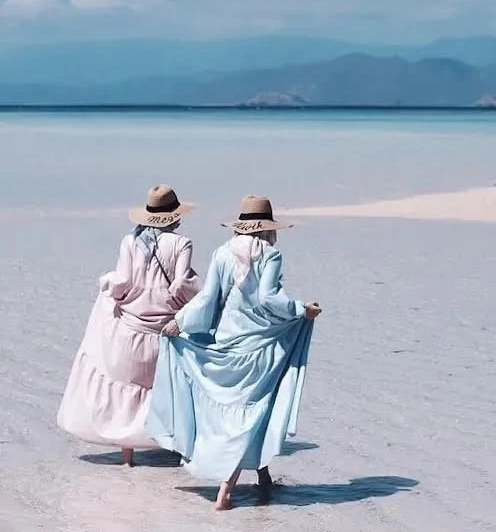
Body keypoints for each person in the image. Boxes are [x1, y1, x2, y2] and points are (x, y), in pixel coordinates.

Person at [149, 195, 322, 511]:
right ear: (268, 228)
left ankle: (263, 476)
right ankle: (225, 493)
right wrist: (301, 309)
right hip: (259, 345)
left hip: (226, 342)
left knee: (245, 408)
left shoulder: (222, 253)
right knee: (252, 410)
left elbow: (206, 299)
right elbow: (270, 299)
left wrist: (179, 322)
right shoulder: (270, 255)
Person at [57, 185, 199, 467]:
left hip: (131, 330)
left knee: (126, 386)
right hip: (163, 330)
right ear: (175, 216)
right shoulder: (182, 243)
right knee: (165, 386)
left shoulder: (130, 242)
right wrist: (175, 300)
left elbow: (121, 283)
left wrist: (110, 286)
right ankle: (179, 446)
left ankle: (128, 457)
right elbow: (183, 284)